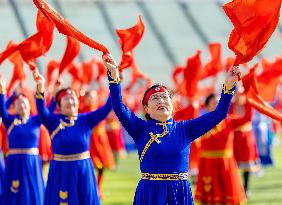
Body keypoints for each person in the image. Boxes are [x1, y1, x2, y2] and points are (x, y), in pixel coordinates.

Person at [102, 54, 240, 205]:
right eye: (155, 98)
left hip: (179, 193)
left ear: (173, 104)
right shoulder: (140, 128)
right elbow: (119, 108)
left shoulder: (186, 129)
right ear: (147, 109)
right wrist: (114, 80)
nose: (161, 100)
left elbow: (219, 114)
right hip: (150, 193)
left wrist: (228, 86)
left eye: (164, 97)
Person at [33, 72, 112, 205]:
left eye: (73, 98)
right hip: (61, 171)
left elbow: (107, 107)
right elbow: (41, 111)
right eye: (66, 99)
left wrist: (115, 84)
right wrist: (41, 87)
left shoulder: (86, 119)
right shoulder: (52, 121)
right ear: (59, 105)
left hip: (84, 170)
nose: (70, 101)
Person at [194, 93, 251, 204]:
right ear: (206, 106)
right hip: (208, 164)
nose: (218, 105)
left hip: (226, 163)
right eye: (214, 103)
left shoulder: (229, 120)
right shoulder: (201, 121)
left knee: (228, 196)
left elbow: (247, 118)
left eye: (219, 103)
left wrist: (249, 100)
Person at [0, 75, 44, 205]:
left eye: (24, 103)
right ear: (14, 107)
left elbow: (46, 109)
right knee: (14, 192)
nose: (22, 105)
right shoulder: (10, 121)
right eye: (18, 103)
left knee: (33, 191)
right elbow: (2, 109)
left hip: (32, 163)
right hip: (15, 162)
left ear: (30, 107)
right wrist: (2, 90)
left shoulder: (36, 120)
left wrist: (40, 89)